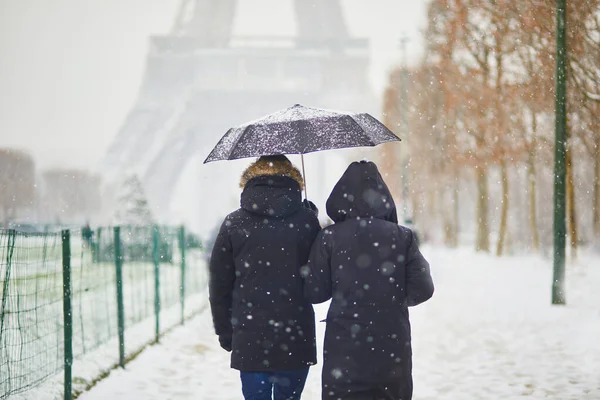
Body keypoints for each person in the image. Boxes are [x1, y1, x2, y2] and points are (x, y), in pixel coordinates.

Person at [302, 160, 434, 400]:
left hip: (344, 345)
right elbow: (424, 288)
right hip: (391, 342)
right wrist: (391, 301)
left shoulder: (329, 237)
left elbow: (314, 292)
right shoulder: (402, 236)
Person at [209, 154, 321, 400]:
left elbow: (219, 284)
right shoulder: (306, 222)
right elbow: (318, 279)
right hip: (295, 335)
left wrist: (225, 331)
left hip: (250, 336)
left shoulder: (234, 222)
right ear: (293, 181)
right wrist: (311, 222)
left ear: (250, 180)